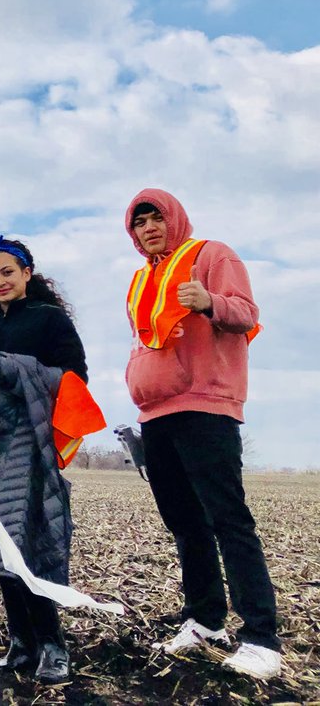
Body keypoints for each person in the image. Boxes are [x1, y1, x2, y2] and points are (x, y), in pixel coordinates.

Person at [124, 189, 280, 680]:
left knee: (228, 519)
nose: (149, 228)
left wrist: (210, 301)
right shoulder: (141, 278)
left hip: (205, 405)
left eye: (156, 218)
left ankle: (261, 639)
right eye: (140, 223)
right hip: (156, 413)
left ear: (174, 219)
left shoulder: (212, 255)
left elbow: (246, 313)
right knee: (185, 522)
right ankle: (205, 620)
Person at [0, 236, 87, 683]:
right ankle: (21, 643)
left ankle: (53, 645)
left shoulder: (49, 320)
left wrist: (14, 368)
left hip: (33, 443)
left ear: (26, 273)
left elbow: (74, 378)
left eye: (7, 273)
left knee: (30, 543)